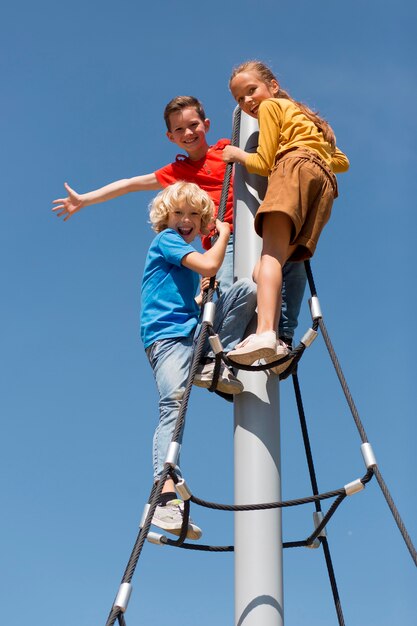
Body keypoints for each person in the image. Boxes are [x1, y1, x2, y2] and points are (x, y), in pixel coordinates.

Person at [52, 95, 306, 345]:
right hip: (223, 239)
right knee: (231, 293)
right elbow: (129, 185)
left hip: (259, 228)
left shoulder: (227, 150)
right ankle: (220, 352)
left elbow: (267, 154)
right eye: (179, 129)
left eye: (193, 125)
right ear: (170, 137)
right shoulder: (177, 172)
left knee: (294, 265)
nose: (188, 132)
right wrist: (85, 199)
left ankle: (283, 336)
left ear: (206, 125)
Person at [141, 182, 257, 539]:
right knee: (172, 406)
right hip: (167, 339)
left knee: (245, 292)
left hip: (190, 333)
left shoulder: (182, 254)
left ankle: (212, 364)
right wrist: (222, 234)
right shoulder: (166, 241)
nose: (186, 220)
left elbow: (194, 289)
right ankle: (163, 497)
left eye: (194, 214)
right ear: (166, 218)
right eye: (179, 213)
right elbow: (210, 261)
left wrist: (202, 295)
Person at [222, 60, 349, 367]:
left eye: (251, 91)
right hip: (323, 185)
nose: (247, 101)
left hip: (292, 171)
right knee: (269, 268)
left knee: (269, 258)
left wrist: (237, 153)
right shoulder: (305, 117)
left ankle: (266, 332)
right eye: (239, 99)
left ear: (272, 86)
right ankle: (278, 340)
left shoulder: (270, 109)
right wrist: (315, 151)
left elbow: (264, 163)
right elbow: (341, 162)